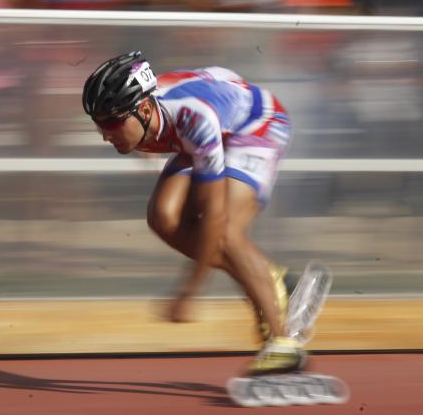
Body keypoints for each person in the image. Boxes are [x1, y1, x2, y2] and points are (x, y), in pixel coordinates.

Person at [82, 51, 303, 375]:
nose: (105, 134)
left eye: (112, 123)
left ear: (143, 108)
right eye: (98, 124)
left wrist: (189, 292)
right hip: (206, 130)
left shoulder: (191, 116)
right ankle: (268, 276)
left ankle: (283, 344)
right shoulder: (144, 116)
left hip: (256, 126)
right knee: (162, 217)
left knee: (226, 232)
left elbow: (213, 218)